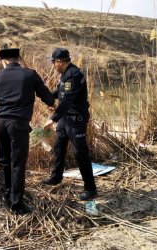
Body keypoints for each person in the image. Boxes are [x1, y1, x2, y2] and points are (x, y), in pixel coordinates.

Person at [0, 48, 55, 214]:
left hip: (0, 123)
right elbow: (48, 98)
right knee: (17, 163)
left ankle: (7, 197)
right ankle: (17, 204)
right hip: (18, 123)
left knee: (4, 160)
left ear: (3, 61)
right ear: (18, 58)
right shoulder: (30, 74)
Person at [42, 48, 97, 201]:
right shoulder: (65, 74)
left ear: (59, 62)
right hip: (66, 118)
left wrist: (52, 119)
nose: (53, 66)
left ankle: (90, 189)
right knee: (59, 148)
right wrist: (42, 94)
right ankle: (56, 177)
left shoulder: (74, 75)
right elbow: (60, 93)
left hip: (76, 119)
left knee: (80, 153)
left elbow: (67, 101)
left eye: (53, 63)